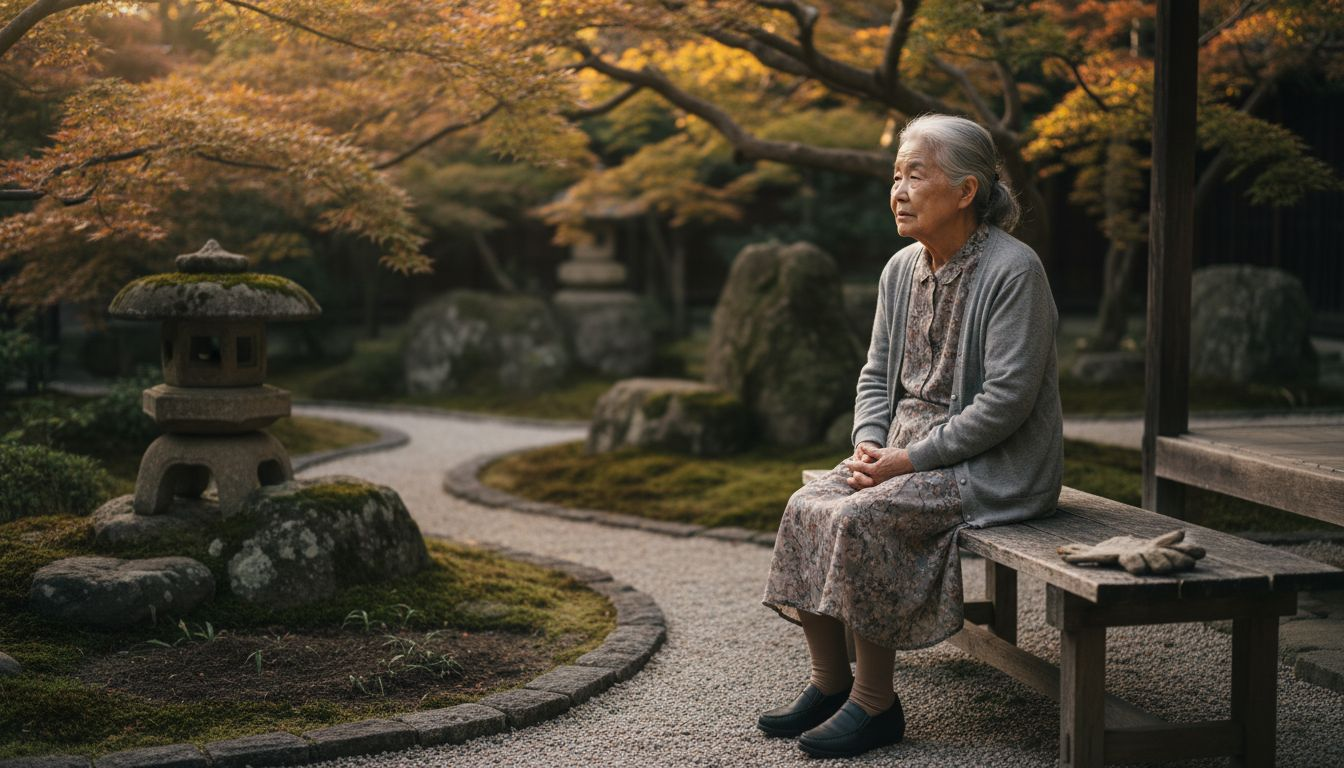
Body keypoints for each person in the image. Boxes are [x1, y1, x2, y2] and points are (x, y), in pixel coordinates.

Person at [758, 113, 1063, 759]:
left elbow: (1007, 402)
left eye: (915, 176)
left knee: (864, 517)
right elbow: (876, 374)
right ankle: (831, 683)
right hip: (901, 453)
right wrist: (869, 442)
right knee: (807, 505)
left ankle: (876, 705)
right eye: (895, 176)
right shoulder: (900, 268)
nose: (898, 191)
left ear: (966, 190)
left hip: (993, 464)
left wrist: (907, 460)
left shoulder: (1015, 271)